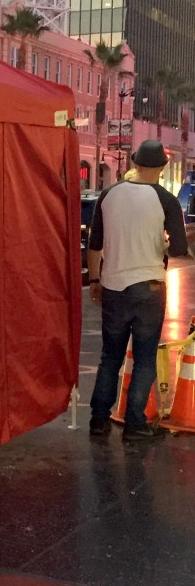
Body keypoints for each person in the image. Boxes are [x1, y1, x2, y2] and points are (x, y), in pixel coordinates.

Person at [88, 140, 189, 441]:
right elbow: (181, 248)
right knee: (144, 360)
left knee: (110, 356)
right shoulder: (166, 200)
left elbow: (95, 243)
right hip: (149, 288)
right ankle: (134, 425)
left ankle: (98, 419)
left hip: (114, 287)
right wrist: (163, 243)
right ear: (161, 167)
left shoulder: (109, 194)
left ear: (135, 163)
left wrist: (95, 281)